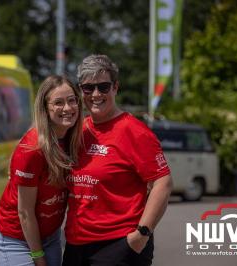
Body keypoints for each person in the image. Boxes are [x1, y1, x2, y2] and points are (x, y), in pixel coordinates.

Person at [63, 54, 173, 266]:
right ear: (80, 91)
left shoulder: (135, 131)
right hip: (76, 244)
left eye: (103, 87)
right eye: (88, 88)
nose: (96, 94)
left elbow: (163, 183)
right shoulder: (79, 130)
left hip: (118, 245)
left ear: (115, 88)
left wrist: (141, 234)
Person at [0, 75, 83, 266]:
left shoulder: (74, 137)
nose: (67, 108)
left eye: (72, 100)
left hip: (50, 235)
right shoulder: (32, 149)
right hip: (16, 238)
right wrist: (38, 256)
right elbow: (24, 212)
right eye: (58, 103)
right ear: (45, 109)